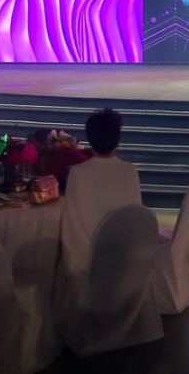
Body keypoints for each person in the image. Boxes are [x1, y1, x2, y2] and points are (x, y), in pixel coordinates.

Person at [59, 107, 143, 274]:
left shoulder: (78, 173)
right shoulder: (129, 171)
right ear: (118, 140)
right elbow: (136, 220)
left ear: (90, 139)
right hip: (123, 259)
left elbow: (71, 225)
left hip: (84, 261)